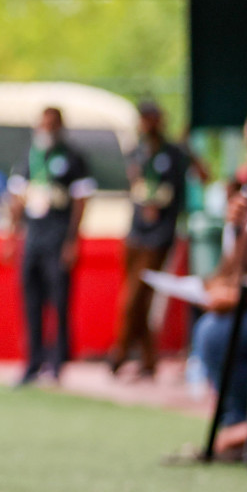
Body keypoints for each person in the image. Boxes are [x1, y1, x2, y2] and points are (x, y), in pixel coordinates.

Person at [5, 106, 94, 385]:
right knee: (31, 299)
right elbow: (17, 197)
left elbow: (81, 200)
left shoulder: (72, 157)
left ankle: (57, 362)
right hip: (34, 236)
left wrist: (72, 241)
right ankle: (33, 361)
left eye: (51, 124)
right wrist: (11, 235)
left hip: (58, 235)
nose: (46, 129)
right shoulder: (30, 156)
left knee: (59, 299)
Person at [107, 100, 193, 379]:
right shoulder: (136, 153)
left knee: (134, 297)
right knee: (137, 298)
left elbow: (191, 182)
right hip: (136, 231)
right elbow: (134, 185)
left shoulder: (175, 153)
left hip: (159, 235)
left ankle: (118, 353)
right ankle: (148, 359)